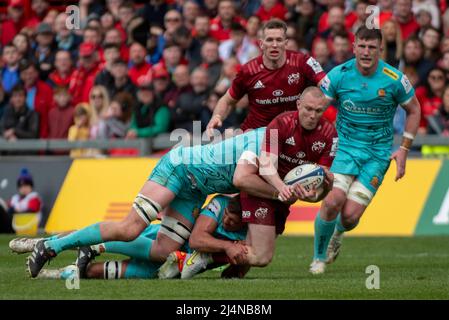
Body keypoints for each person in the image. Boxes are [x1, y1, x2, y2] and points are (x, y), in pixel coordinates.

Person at [27, 118, 312, 278]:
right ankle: (50, 245)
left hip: (195, 189)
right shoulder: (265, 139)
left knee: (164, 250)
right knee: (130, 228)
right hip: (178, 168)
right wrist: (280, 192)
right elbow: (240, 179)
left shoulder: (273, 147)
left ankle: (92, 248)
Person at [177, 87, 337, 279]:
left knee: (252, 256)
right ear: (298, 104)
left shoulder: (330, 135)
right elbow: (266, 164)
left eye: (318, 111)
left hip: (283, 198)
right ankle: (201, 259)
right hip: (261, 189)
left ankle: (223, 275)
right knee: (261, 257)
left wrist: (322, 190)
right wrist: (281, 189)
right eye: (308, 109)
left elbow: (319, 189)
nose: (312, 115)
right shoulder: (281, 123)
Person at [309, 26, 421, 275]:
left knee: (349, 217)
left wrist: (403, 149)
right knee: (333, 201)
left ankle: (338, 233)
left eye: (372, 47)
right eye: (362, 45)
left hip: (377, 154)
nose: (366, 51)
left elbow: (414, 110)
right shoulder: (339, 74)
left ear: (380, 49)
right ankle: (318, 258)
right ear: (354, 46)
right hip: (345, 149)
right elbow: (315, 107)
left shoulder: (394, 80)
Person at [13, 194, 245, 280]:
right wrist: (227, 247)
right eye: (227, 218)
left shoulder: (248, 233)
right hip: (160, 241)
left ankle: (50, 274)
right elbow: (197, 239)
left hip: (169, 264)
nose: (227, 223)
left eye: (232, 222)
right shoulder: (220, 203)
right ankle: (38, 244)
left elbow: (233, 270)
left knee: (94, 272)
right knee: (98, 239)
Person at [207, 19, 326, 133]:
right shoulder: (248, 71)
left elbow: (327, 85)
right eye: (269, 40)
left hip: (291, 133)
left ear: (286, 44)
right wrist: (217, 116)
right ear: (261, 44)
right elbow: (227, 100)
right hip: (256, 133)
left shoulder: (303, 62)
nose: (274, 45)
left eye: (279, 40)